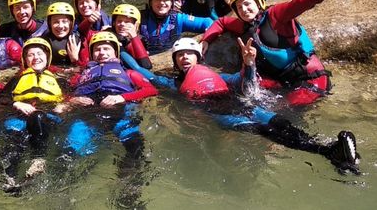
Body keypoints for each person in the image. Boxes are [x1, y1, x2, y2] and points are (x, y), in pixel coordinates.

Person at [146, 37, 361, 175]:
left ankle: (333, 150)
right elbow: (143, 71)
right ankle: (326, 151)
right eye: (180, 55)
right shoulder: (173, 84)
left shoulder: (218, 77)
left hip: (239, 104)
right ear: (175, 61)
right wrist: (127, 45)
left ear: (198, 58)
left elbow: (244, 81)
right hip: (220, 114)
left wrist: (249, 64)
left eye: (189, 54)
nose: (184, 57)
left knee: (281, 122)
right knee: (265, 130)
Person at [199, 0, 370, 106]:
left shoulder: (276, 15)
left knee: (282, 111)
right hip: (283, 80)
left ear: (259, 4)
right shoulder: (245, 24)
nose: (243, 9)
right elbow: (221, 22)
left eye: (247, 3)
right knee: (239, 94)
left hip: (310, 80)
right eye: (239, 7)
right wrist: (206, 40)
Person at [62, 31, 157, 209]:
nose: (102, 52)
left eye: (106, 49)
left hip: (120, 114)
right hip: (88, 117)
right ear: (92, 54)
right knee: (69, 154)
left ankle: (128, 192)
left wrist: (122, 97)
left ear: (115, 52)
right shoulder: (80, 76)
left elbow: (150, 90)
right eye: (97, 49)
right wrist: (74, 100)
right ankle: (66, 195)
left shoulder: (129, 73)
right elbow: (65, 97)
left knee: (135, 148)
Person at [0, 37, 70, 191]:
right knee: (14, 141)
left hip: (46, 116)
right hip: (19, 117)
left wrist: (64, 106)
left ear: (47, 57)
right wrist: (16, 103)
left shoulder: (61, 81)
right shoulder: (16, 80)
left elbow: (70, 99)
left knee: (37, 117)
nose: (36, 57)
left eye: (39, 54)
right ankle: (9, 178)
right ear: (25, 59)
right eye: (30, 55)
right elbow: (2, 98)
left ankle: (38, 159)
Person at [139, 0, 213, 55]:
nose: (162, 3)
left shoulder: (178, 18)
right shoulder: (140, 18)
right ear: (150, 3)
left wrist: (207, 39)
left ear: (172, 2)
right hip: (144, 58)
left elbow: (207, 22)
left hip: (172, 57)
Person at [34, 2, 82, 67]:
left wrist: (75, 60)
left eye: (64, 21)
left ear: (71, 23)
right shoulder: (41, 42)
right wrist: (64, 71)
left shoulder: (78, 41)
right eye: (56, 22)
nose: (60, 26)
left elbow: (86, 67)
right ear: (49, 23)